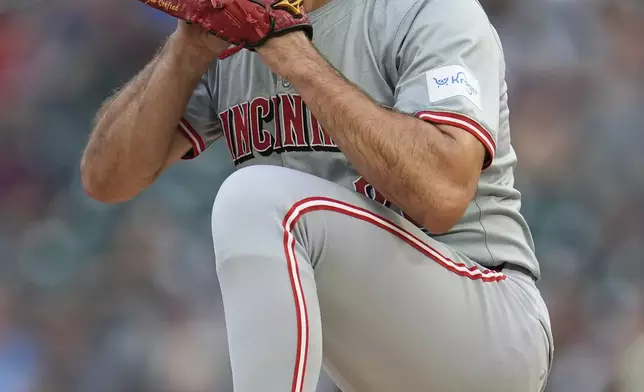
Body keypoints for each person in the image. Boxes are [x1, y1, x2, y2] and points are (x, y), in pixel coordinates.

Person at [81, 0, 553, 390]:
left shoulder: (426, 10)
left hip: (486, 325)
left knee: (255, 201)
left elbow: (442, 194)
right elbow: (107, 179)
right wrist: (187, 48)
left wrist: (292, 54)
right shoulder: (233, 34)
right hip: (365, 365)